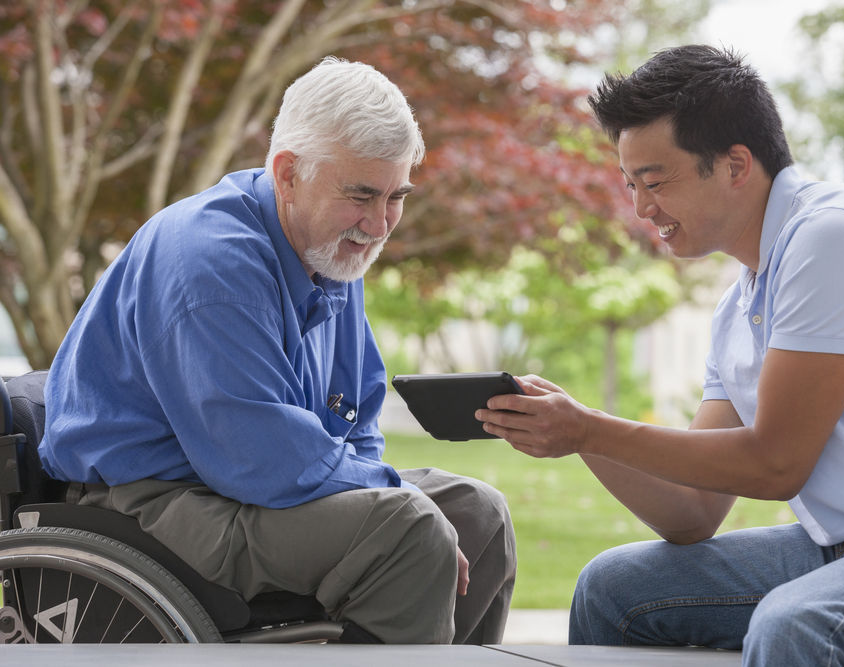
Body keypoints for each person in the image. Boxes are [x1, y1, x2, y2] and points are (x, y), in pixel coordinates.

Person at [477, 45, 844, 664]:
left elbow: (776, 464)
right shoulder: (739, 306)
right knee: (616, 589)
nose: (642, 209)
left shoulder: (835, 236)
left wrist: (592, 427)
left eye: (654, 181)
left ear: (735, 165)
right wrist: (578, 433)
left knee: (801, 625)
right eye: (630, 185)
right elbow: (692, 513)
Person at [38, 57, 516, 645]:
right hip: (154, 504)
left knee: (477, 514)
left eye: (397, 196)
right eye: (362, 194)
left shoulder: (331, 247)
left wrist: (383, 485)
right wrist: (392, 493)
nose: (379, 223)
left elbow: (355, 419)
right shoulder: (211, 260)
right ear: (287, 173)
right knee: (409, 528)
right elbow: (258, 457)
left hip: (242, 482)